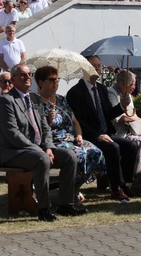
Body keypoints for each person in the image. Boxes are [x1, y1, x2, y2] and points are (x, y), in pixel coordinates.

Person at [0, 63, 84, 221]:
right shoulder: (6, 101)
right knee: (42, 159)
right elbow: (12, 134)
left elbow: (45, 128)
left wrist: (48, 147)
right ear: (13, 79)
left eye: (29, 74)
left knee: (69, 156)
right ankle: (43, 208)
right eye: (22, 75)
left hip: (38, 149)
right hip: (14, 151)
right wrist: (39, 150)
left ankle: (66, 204)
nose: (27, 77)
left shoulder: (35, 99)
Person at [67, 55, 141, 202]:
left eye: (99, 66)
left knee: (131, 145)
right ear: (84, 68)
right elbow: (78, 121)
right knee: (113, 148)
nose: (97, 69)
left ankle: (126, 184)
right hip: (89, 135)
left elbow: (108, 114)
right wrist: (96, 136)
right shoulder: (75, 93)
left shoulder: (101, 89)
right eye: (93, 66)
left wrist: (122, 105)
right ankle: (116, 188)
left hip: (106, 132)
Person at [34, 65, 106, 204]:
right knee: (79, 155)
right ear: (41, 83)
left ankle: (75, 186)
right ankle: (70, 192)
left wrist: (79, 135)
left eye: (57, 79)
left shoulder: (61, 100)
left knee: (95, 151)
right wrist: (48, 121)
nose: (56, 83)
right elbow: (38, 131)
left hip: (70, 138)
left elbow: (75, 122)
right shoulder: (35, 103)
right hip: (53, 142)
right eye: (52, 79)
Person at [107, 70, 141, 193]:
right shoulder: (111, 93)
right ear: (122, 84)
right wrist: (136, 119)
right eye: (132, 84)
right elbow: (120, 118)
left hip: (129, 132)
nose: (134, 87)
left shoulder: (128, 95)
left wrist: (139, 121)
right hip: (117, 133)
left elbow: (132, 114)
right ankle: (139, 181)